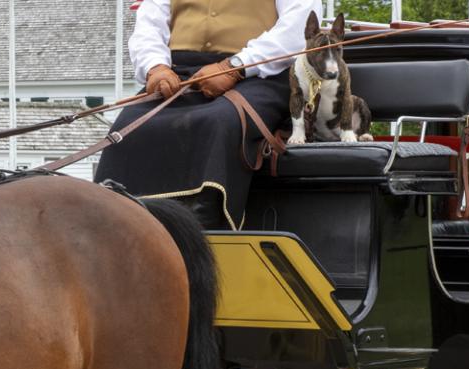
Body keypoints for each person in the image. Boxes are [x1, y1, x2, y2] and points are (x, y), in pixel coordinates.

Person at [95, 0, 319, 229]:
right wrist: (156, 67)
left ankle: (204, 227)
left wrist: (236, 66)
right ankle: (115, 225)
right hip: (177, 75)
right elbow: (149, 25)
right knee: (127, 128)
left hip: (259, 75)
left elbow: (296, 28)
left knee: (219, 121)